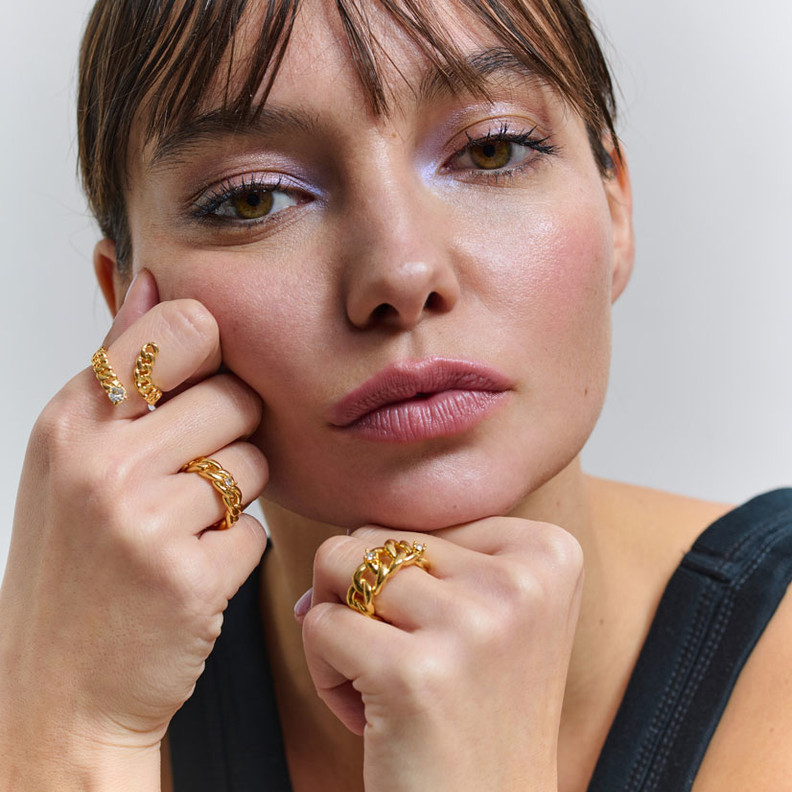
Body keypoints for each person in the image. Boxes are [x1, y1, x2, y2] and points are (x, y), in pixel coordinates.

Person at [1, 0, 790, 790]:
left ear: (616, 208)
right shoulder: (68, 705)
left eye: (491, 150)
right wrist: (69, 736)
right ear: (127, 301)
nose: (402, 274)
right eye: (254, 198)